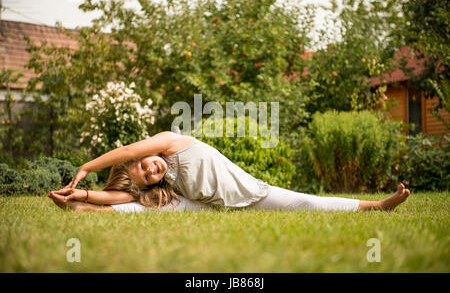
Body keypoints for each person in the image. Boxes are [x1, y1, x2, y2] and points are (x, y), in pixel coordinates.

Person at [48, 131, 410, 213]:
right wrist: (81, 194)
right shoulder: (160, 183)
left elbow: (125, 152)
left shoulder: (170, 141)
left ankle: (377, 206)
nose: (151, 170)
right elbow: (123, 193)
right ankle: (83, 210)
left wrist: (85, 168)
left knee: (304, 202)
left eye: (145, 165)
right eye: (148, 176)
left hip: (251, 195)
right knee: (143, 207)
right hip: (209, 206)